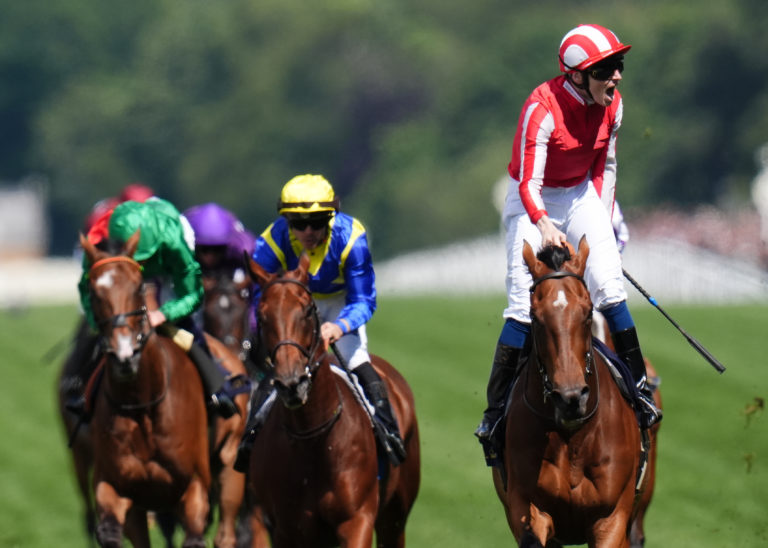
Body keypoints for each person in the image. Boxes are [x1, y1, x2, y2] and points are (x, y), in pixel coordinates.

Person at [475, 24, 661, 443]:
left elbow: (605, 167)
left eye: (619, 66)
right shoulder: (541, 109)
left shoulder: (613, 105)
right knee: (523, 306)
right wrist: (544, 225)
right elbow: (527, 183)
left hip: (579, 195)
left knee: (611, 290)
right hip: (530, 201)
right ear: (576, 75)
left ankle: (639, 393)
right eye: (606, 69)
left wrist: (604, 219)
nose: (615, 76)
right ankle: (494, 413)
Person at [235, 174, 406, 470]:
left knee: (356, 362)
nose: (309, 231)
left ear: (331, 217)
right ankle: (250, 440)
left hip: (340, 304)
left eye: (317, 221)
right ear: (287, 221)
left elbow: (364, 300)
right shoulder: (273, 239)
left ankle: (388, 432)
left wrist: (339, 326)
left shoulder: (351, 238)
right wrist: (263, 330)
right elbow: (258, 296)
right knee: (273, 371)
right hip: (292, 308)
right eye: (299, 224)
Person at [72, 197, 239, 418]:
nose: (141, 266)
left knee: (182, 329)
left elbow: (193, 294)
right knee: (105, 326)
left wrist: (164, 313)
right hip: (121, 268)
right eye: (136, 260)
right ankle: (82, 390)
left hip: (167, 268)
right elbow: (86, 288)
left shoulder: (173, 241)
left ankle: (218, 386)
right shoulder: (98, 241)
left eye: (144, 259)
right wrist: (99, 324)